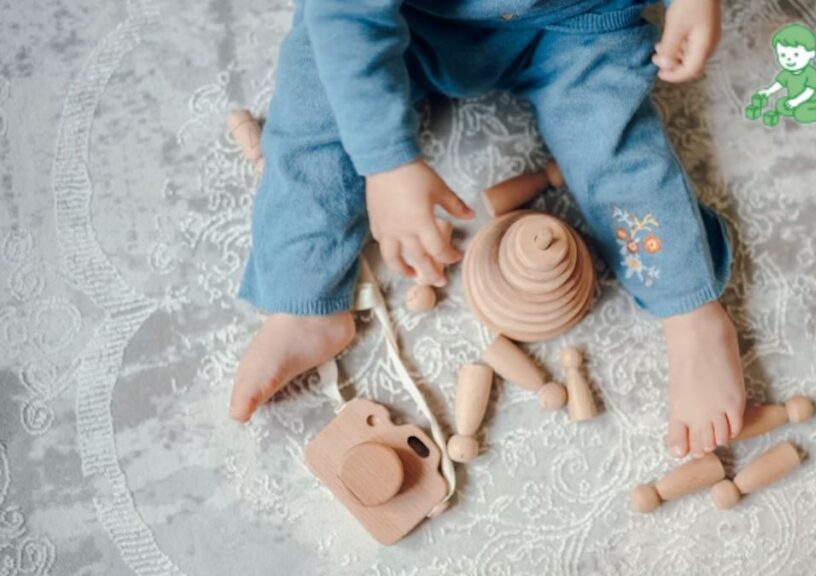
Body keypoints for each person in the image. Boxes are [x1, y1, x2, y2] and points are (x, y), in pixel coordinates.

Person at [230, 0, 747, 459]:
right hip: (409, 22)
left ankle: (691, 313)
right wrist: (385, 163)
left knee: (619, 159)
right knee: (314, 107)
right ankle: (304, 300)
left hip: (578, 26)